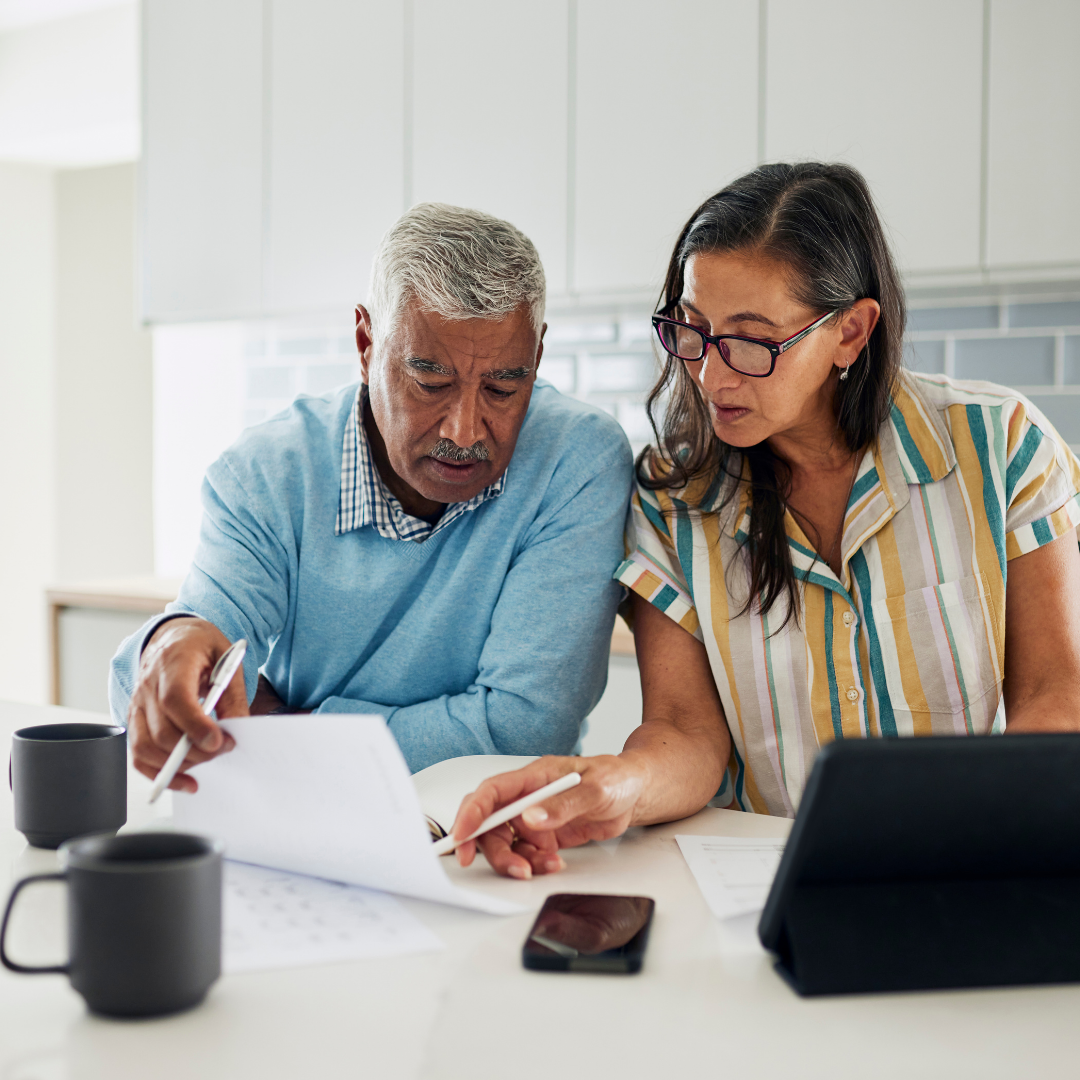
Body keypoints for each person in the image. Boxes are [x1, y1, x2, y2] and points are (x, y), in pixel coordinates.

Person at [449, 163, 1080, 880]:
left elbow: (1055, 693)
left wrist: (1001, 826)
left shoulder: (1000, 448)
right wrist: (608, 786)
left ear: (850, 332)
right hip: (766, 881)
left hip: (971, 861)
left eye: (751, 342)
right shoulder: (672, 499)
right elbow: (686, 734)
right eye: (692, 331)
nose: (712, 377)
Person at [110, 203, 632, 793]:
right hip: (294, 814)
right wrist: (172, 642)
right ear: (365, 343)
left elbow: (521, 732)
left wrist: (283, 728)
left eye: (504, 387)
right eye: (430, 383)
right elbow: (194, 652)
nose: (464, 430)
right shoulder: (267, 473)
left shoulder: (576, 460)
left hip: (497, 826)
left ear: (536, 356)